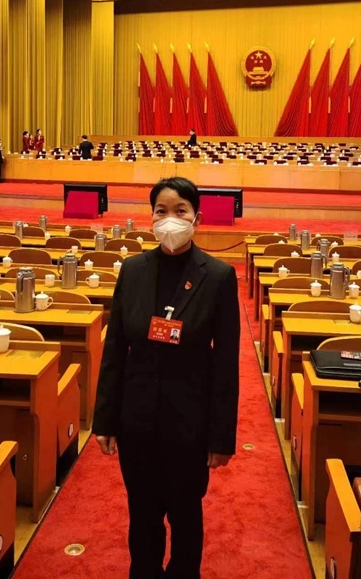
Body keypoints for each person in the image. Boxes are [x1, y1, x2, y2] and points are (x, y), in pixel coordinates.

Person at [93, 176, 240, 579]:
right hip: (136, 420)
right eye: (161, 211)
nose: (170, 219)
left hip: (189, 424)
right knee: (142, 516)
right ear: (151, 217)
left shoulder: (219, 276)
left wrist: (221, 437)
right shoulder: (133, 270)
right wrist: (105, 419)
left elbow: (226, 363)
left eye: (180, 211)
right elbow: (115, 349)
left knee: (186, 517)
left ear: (197, 218)